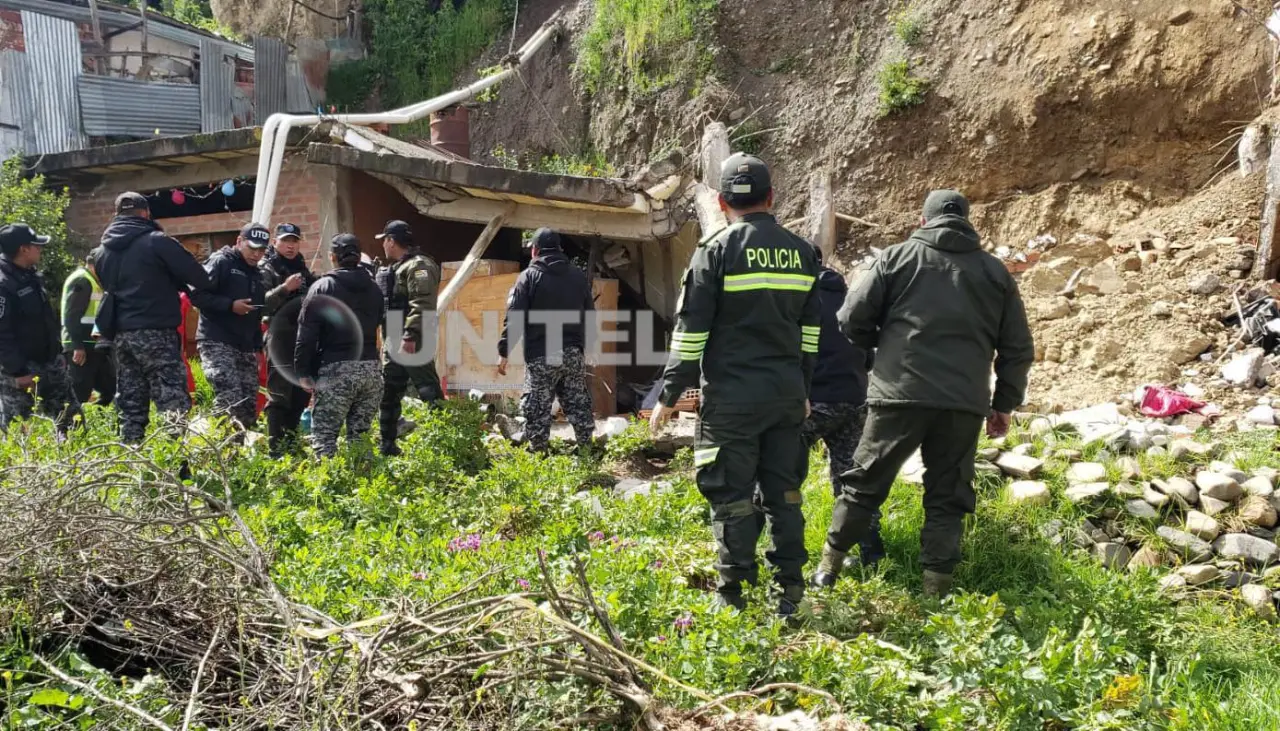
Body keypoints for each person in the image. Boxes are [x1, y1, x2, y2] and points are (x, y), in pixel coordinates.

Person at [812, 190, 1035, 598]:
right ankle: (936, 590)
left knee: (864, 483)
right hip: (963, 403)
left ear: (922, 222)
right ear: (968, 223)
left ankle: (828, 568)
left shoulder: (896, 258)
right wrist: (1003, 404)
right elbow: (1018, 348)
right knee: (948, 495)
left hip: (898, 394)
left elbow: (849, 318)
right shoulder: (994, 273)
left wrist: (880, 348)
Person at [649, 154, 820, 616]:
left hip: (732, 400)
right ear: (771, 198)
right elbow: (810, 333)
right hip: (786, 397)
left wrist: (668, 395)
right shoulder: (803, 253)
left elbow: (691, 332)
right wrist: (803, 389)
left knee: (731, 495)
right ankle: (791, 595)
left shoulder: (716, 251)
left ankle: (733, 597)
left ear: (722, 202)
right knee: (784, 494)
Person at [95, 192, 213, 443]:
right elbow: (200, 278)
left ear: (117, 215)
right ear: (146, 213)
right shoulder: (157, 241)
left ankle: (131, 460)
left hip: (122, 335)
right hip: (156, 332)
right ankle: (176, 465)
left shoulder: (101, 251)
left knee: (131, 401)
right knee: (172, 400)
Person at [797, 250, 885, 566]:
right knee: (852, 479)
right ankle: (871, 553)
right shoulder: (849, 297)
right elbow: (870, 353)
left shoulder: (798, 299)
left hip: (812, 403)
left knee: (780, 469)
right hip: (854, 399)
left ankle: (786, 550)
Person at [496, 228, 596, 453]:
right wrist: (589, 347)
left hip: (541, 353)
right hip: (572, 353)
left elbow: (515, 317)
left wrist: (504, 351)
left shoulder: (528, 277)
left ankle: (539, 452)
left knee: (537, 405)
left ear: (535, 250)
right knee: (577, 401)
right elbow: (590, 313)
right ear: (560, 250)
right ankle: (586, 449)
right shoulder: (577, 276)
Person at [294, 234, 385, 457]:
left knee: (324, 437)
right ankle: (365, 484)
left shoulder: (323, 287)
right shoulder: (375, 289)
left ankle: (329, 488)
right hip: (370, 369)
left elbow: (306, 335)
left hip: (336, 369)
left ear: (333, 257)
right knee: (361, 436)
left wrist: (303, 371)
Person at [0, 223, 81, 435]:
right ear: (23, 249)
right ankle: (23, 469)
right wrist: (18, 371)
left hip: (50, 364)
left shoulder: (31, 276)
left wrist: (57, 354)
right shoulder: (3, 283)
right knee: (21, 432)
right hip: (21, 371)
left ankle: (75, 463)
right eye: (36, 245)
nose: (40, 249)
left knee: (72, 422)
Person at [189, 223, 269, 431]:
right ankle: (220, 450)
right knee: (229, 397)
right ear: (239, 241)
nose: (256, 254)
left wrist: (257, 349)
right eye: (252, 248)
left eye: (261, 250)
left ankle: (239, 452)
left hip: (244, 345)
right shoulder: (221, 262)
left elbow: (256, 314)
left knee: (249, 401)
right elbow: (196, 294)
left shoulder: (257, 273)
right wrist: (229, 305)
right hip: (217, 340)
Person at [375, 220, 443, 456]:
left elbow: (422, 304)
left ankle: (445, 442)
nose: (383, 245)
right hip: (394, 337)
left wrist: (410, 335)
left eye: (384, 240)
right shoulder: (397, 268)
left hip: (412, 338)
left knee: (428, 390)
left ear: (391, 241)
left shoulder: (419, 266)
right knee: (389, 393)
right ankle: (387, 444)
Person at [260, 222, 316, 456]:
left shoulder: (301, 266)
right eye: (286, 241)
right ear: (275, 242)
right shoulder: (267, 268)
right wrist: (284, 287)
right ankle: (275, 450)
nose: (290, 246)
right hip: (279, 336)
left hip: (301, 337)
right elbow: (260, 302)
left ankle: (292, 445)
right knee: (279, 394)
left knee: (300, 392)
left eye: (294, 241)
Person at [61, 247, 116, 407]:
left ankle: (98, 425)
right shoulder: (82, 280)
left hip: (95, 346)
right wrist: (77, 345)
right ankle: (71, 428)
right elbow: (72, 315)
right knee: (79, 392)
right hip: (81, 347)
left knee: (109, 390)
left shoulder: (93, 281)